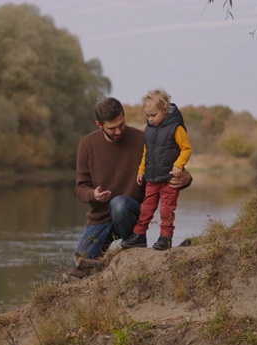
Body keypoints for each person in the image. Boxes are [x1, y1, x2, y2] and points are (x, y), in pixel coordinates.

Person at [74, 97, 192, 261]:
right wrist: (93, 194)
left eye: (121, 124)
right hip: (100, 218)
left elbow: (166, 170)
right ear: (99, 125)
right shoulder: (87, 144)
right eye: (112, 128)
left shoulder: (143, 139)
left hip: (130, 213)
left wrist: (186, 178)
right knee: (80, 261)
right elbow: (80, 188)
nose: (118, 131)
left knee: (119, 204)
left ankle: (136, 242)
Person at [120, 89, 192, 251]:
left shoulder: (176, 128)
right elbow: (147, 152)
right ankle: (138, 235)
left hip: (169, 178)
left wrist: (178, 165)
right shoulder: (149, 130)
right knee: (146, 208)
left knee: (167, 209)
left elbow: (186, 149)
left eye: (154, 115)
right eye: (148, 116)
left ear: (165, 110)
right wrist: (141, 170)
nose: (150, 119)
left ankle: (165, 238)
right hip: (152, 178)